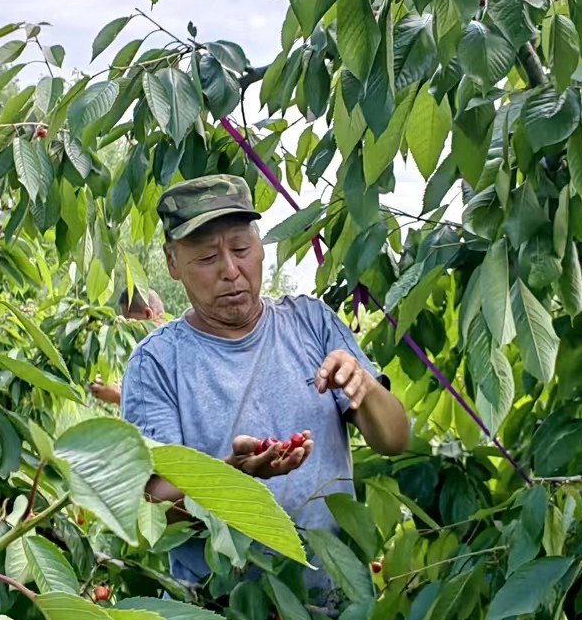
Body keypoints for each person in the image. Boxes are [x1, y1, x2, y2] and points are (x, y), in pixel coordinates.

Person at [119, 174, 409, 596]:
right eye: (207, 257)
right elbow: (151, 506)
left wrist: (363, 384)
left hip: (330, 601)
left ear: (259, 247)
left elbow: (395, 439)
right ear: (172, 263)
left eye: (241, 249)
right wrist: (230, 479)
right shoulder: (156, 363)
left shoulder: (312, 323)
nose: (230, 270)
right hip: (217, 611)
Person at [89, 286, 166, 406]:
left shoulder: (171, 351)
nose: (127, 332)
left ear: (148, 314)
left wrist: (118, 396)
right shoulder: (149, 350)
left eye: (130, 322)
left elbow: (161, 406)